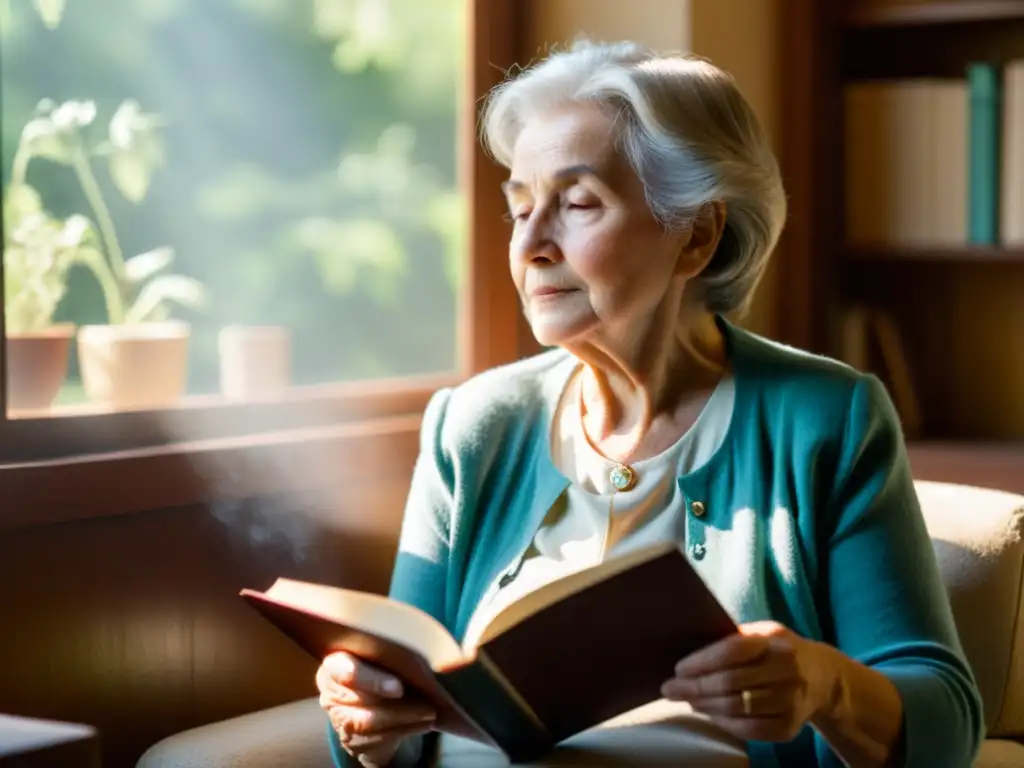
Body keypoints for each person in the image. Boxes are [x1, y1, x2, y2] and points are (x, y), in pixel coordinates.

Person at [316, 40, 984, 768]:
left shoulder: (826, 419)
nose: (531, 244)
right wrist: (362, 720)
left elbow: (946, 723)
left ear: (695, 235)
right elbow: (401, 714)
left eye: (576, 204)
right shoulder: (471, 426)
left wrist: (824, 684)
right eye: (519, 207)